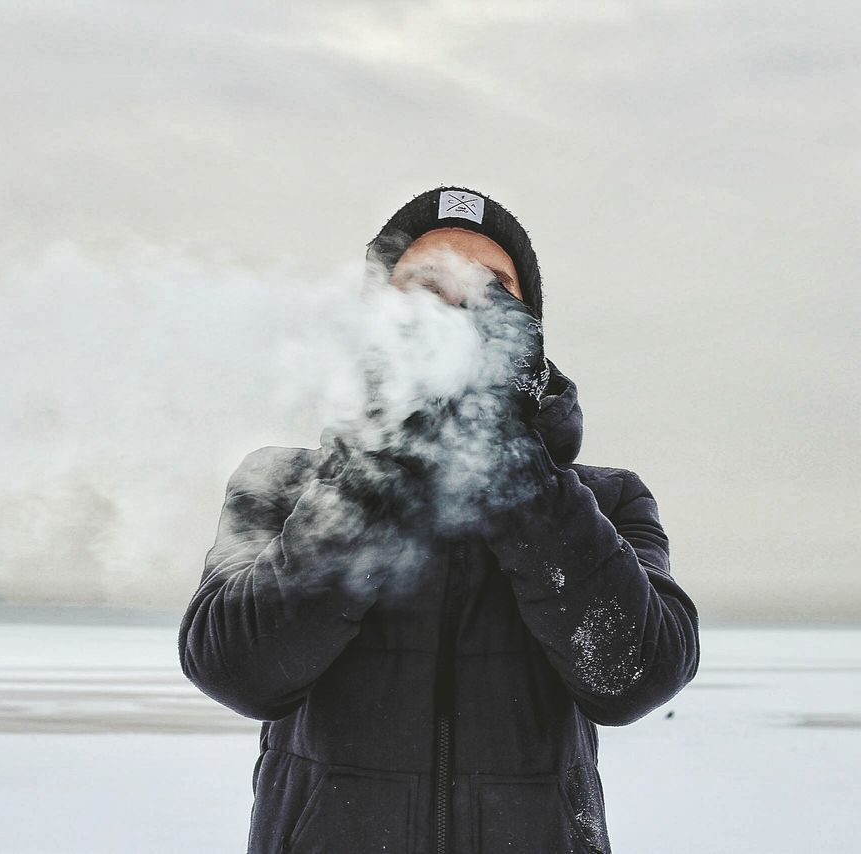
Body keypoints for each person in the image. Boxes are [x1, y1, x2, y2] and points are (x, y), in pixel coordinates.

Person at [179, 186, 700, 853]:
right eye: (426, 290)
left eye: (491, 292)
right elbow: (237, 670)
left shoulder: (607, 502)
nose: (458, 309)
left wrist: (512, 455)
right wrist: (381, 458)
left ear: (528, 329)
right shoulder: (282, 485)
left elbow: (633, 675)